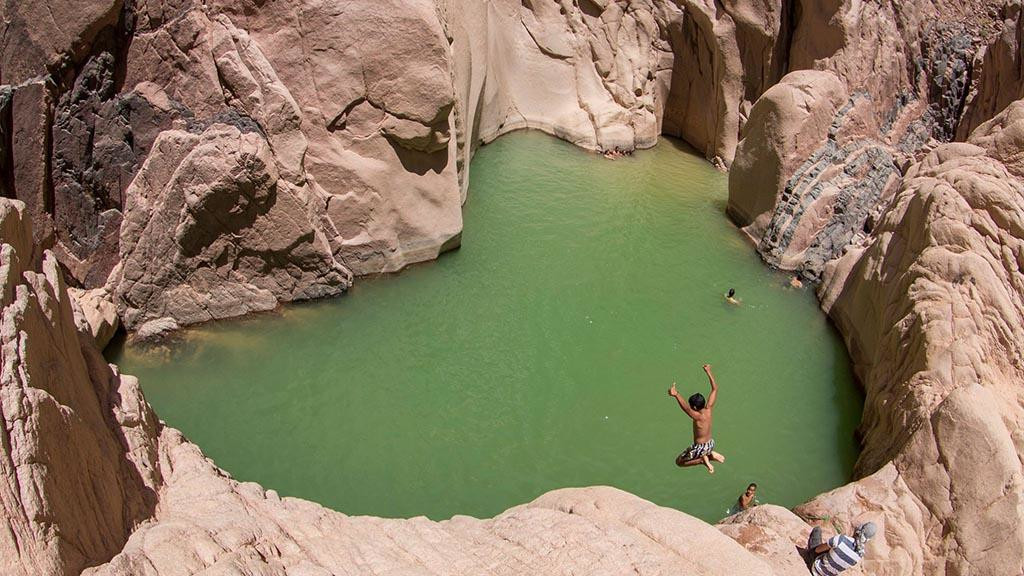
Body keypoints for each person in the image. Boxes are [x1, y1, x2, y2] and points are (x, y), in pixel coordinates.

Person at [668, 364, 726, 473]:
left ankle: (703, 460)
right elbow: (715, 389)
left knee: (679, 462)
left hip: (701, 448)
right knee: (702, 451)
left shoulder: (697, 416)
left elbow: (686, 408)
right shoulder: (709, 408)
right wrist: (708, 371)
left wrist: (676, 394)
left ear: (694, 407)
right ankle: (710, 454)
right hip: (710, 443)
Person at [805, 522, 877, 575]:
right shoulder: (859, 555)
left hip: (816, 568)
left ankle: (808, 556)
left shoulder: (841, 539)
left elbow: (817, 550)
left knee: (817, 530)